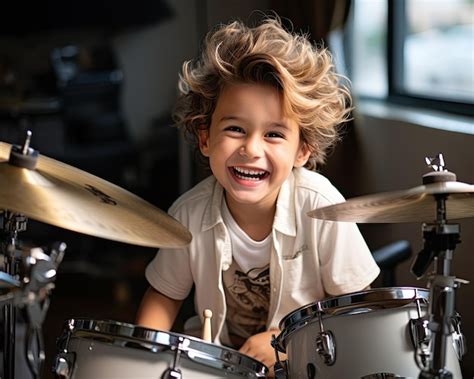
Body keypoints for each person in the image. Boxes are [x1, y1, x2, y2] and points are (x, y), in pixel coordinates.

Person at [136, 15, 380, 373]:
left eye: (274, 134)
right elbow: (164, 295)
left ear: (303, 151)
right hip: (216, 362)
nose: (251, 149)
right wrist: (141, 359)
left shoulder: (321, 205)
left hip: (307, 362)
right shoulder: (188, 213)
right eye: (235, 128)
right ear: (205, 138)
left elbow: (357, 307)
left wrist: (285, 336)